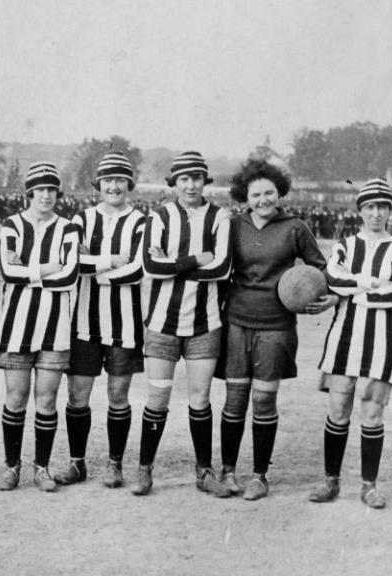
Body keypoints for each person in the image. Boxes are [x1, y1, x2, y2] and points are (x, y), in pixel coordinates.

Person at [218, 159, 337, 500]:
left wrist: (326, 298)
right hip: (237, 322)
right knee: (234, 400)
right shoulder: (234, 226)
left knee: (264, 400)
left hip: (276, 326)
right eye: (256, 194)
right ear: (245, 195)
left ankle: (259, 475)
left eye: (269, 192)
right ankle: (227, 472)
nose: (263, 200)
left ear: (279, 192)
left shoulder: (295, 227)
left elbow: (322, 270)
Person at [309, 178, 392, 509]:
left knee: (372, 414)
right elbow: (332, 278)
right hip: (343, 338)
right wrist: (368, 283)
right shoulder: (345, 245)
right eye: (370, 206)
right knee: (338, 410)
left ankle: (369, 485)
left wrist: (353, 292)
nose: (376, 213)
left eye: (383, 206)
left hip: (380, 343)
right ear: (360, 211)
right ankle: (330, 481)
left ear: (390, 211)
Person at [135, 151, 232, 497]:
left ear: (206, 181)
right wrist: (195, 261)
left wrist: (174, 264)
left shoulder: (221, 217)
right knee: (157, 398)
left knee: (200, 397)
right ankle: (145, 470)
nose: (190, 185)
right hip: (162, 323)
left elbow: (222, 269)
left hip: (205, 326)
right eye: (183, 179)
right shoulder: (159, 216)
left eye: (196, 178)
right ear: (173, 183)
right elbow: (150, 266)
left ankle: (204, 472)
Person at [55, 153, 145, 488]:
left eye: (120, 180)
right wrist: (110, 261)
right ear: (98, 185)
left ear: (129, 185)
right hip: (83, 321)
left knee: (118, 394)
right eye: (108, 180)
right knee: (78, 394)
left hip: (124, 322)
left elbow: (137, 270)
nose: (114, 186)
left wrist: (95, 268)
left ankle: (115, 464)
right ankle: (77, 463)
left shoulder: (141, 222)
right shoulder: (82, 219)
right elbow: (72, 262)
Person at [0, 162, 79, 492]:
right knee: (16, 398)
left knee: (46, 400)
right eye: (40, 189)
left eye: (51, 189)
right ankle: (11, 467)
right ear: (29, 192)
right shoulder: (11, 224)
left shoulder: (69, 228)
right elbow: (7, 272)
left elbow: (70, 275)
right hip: (16, 326)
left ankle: (41, 468)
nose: (46, 195)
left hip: (55, 327)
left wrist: (29, 270)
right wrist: (49, 267)